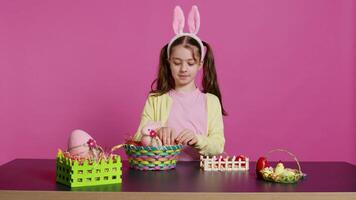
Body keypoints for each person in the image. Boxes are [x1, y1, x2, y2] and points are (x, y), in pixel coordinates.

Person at [133, 5, 227, 161]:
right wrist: (156, 130)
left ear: (200, 64)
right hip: (163, 171)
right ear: (169, 62)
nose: (183, 69)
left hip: (200, 176)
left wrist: (198, 139)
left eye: (190, 63)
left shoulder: (210, 101)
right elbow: (137, 137)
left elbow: (218, 145)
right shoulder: (156, 99)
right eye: (177, 62)